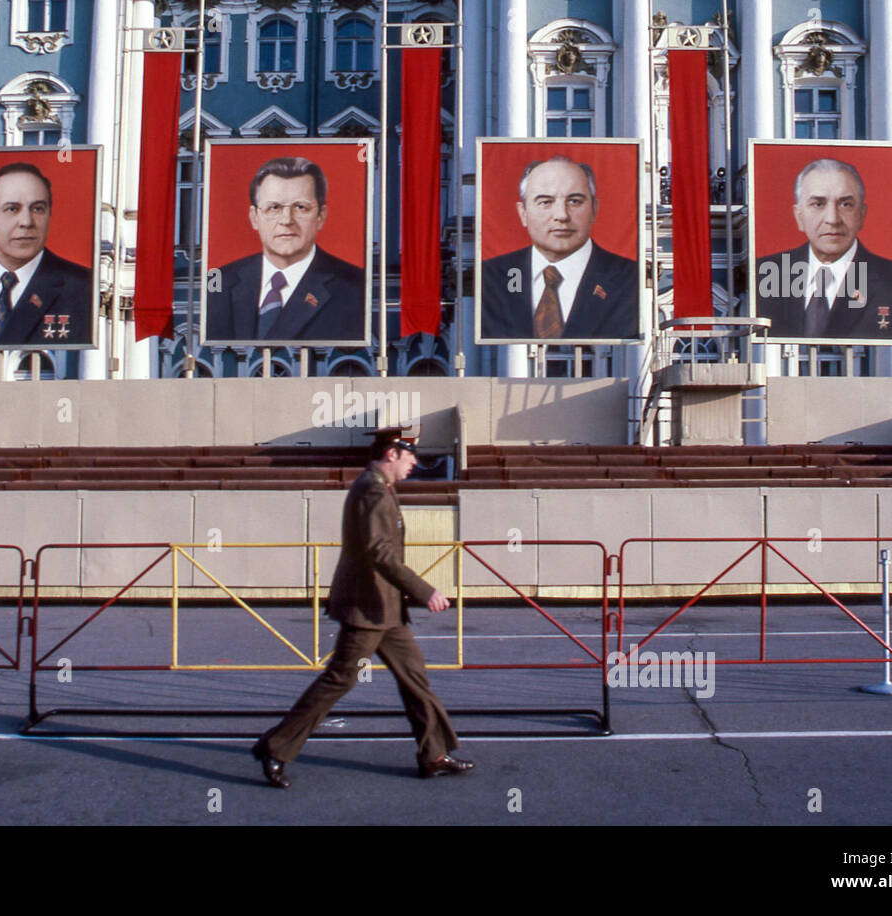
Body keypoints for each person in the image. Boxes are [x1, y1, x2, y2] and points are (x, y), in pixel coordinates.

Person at [252, 428, 474, 788]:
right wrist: (424, 590)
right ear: (391, 454)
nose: (415, 463)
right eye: (409, 456)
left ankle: (433, 755)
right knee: (340, 679)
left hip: (385, 611)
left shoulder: (380, 487)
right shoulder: (371, 489)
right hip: (368, 609)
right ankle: (275, 747)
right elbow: (380, 552)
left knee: (415, 678)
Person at [206, 156, 366, 343]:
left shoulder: (356, 287)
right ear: (254, 217)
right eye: (274, 207)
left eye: (300, 207)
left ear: (320, 216)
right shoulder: (219, 283)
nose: (286, 220)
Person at [481, 155, 639, 340]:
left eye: (574, 201)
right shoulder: (491, 276)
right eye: (545, 202)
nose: (561, 215)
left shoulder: (630, 278)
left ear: (594, 209)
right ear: (523, 213)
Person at [0, 161, 92, 347]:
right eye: (12, 209)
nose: (26, 222)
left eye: (37, 209)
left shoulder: (81, 287)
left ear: (49, 215)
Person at [755, 158, 892, 339]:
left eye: (845, 204)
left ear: (861, 214)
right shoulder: (764, 274)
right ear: (799, 216)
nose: (833, 219)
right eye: (818, 204)